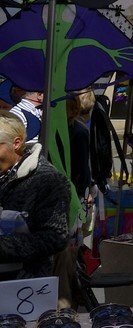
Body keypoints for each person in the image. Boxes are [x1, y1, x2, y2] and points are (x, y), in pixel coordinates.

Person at [0, 113, 71, 280]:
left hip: (22, 286)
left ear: (16, 143)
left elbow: (55, 237)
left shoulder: (47, 180)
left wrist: (3, 246)